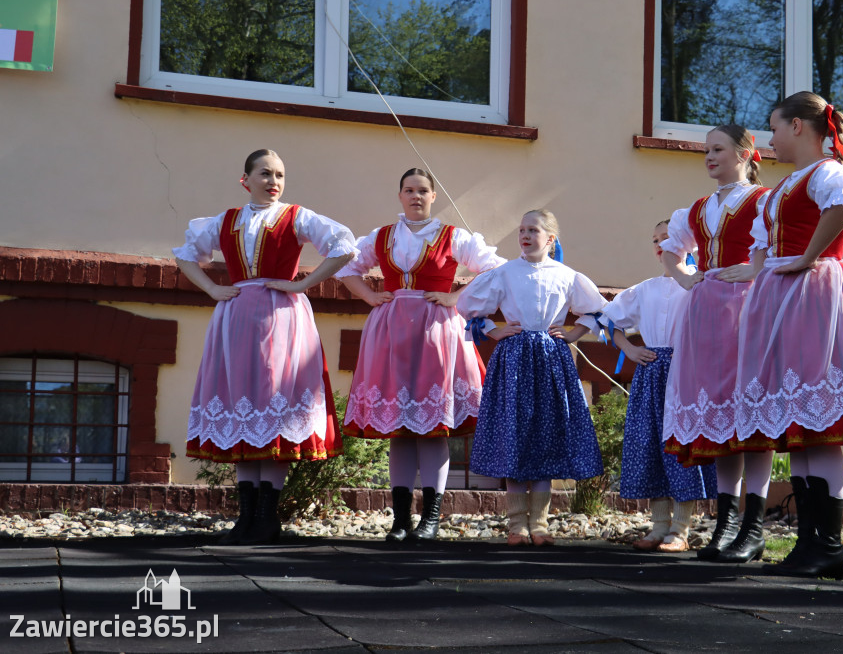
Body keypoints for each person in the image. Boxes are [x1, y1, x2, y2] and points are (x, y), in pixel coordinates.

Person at [735, 92, 843, 579]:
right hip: (787, 299)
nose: (770, 138)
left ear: (799, 127)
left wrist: (808, 258)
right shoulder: (789, 184)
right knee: (803, 429)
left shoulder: (828, 173)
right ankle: (810, 544)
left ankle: (827, 546)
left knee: (821, 424)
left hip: (816, 297)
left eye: (775, 127)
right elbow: (766, 248)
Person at [174, 149, 357, 545]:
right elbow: (185, 255)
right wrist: (212, 289)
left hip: (282, 317)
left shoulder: (296, 216)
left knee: (272, 400)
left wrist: (301, 285)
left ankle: (266, 516)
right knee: (243, 404)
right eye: (265, 173)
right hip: (236, 318)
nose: (274, 181)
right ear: (246, 179)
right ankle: (246, 517)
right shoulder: (225, 221)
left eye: (280, 174)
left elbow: (344, 246)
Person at [338, 168, 504, 543]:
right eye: (409, 190)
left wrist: (456, 298)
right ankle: (400, 520)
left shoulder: (453, 237)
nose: (416, 196)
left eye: (423, 191)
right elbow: (347, 267)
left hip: (437, 334)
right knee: (399, 429)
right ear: (400, 195)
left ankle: (430, 519)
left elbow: (495, 269)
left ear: (433, 197)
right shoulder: (382, 237)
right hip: (391, 333)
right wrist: (369, 296)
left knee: (432, 428)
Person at [660, 125, 775, 563]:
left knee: (750, 415)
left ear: (746, 154)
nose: (708, 156)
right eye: (705, 150)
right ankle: (726, 523)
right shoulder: (697, 208)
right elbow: (672, 251)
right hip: (706, 313)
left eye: (718, 149)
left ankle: (753, 524)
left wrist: (753, 269)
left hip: (746, 311)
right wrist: (686, 277)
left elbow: (776, 245)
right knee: (723, 421)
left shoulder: (763, 201)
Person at [456, 209, 606, 546]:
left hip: (551, 360)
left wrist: (573, 333)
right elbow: (468, 305)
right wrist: (495, 330)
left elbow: (596, 310)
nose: (524, 235)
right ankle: (516, 526)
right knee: (516, 436)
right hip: (514, 360)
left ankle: (539, 524)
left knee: (544, 439)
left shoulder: (566, 275)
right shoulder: (506, 272)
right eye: (521, 229)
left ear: (550, 238)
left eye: (533, 230)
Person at [601, 220, 717, 552]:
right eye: (654, 239)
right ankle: (658, 526)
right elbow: (610, 322)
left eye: (666, 237)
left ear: (688, 243)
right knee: (654, 445)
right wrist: (631, 349)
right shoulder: (645, 289)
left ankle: (680, 530)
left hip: (687, 375)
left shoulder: (700, 283)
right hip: (652, 374)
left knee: (682, 446)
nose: (659, 244)